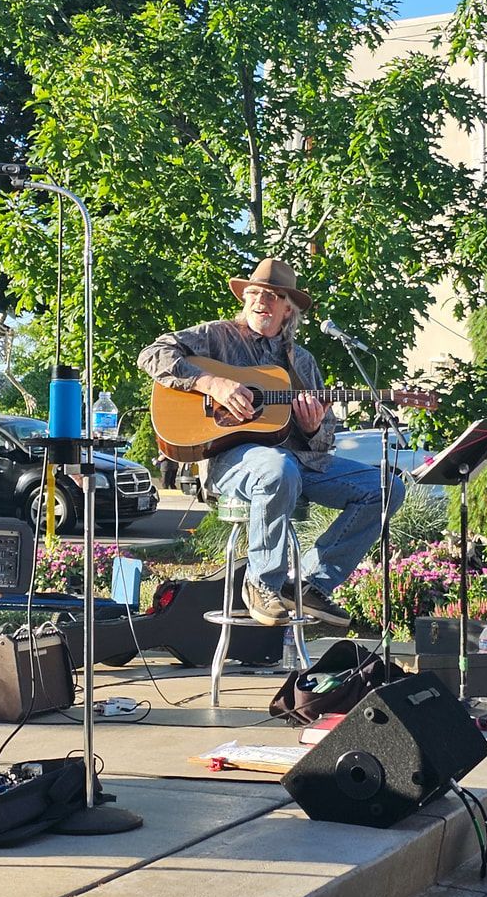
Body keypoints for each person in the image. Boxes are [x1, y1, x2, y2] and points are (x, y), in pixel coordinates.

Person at [138, 257, 406, 628]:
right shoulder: (216, 336)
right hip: (230, 461)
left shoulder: (303, 362)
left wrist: (313, 429)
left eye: (274, 295)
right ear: (245, 298)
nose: (262, 300)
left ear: (288, 308)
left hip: (297, 465)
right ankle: (261, 584)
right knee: (277, 469)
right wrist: (210, 383)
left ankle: (310, 582)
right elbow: (152, 354)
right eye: (256, 293)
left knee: (386, 488)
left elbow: (323, 442)